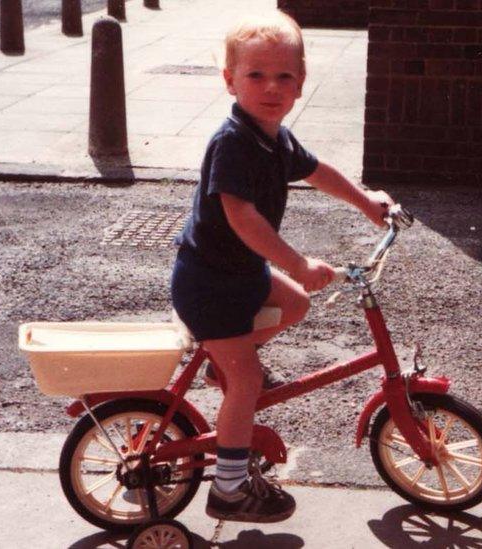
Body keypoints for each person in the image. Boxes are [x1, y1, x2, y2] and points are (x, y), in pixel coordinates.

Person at [170, 9, 393, 523]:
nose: (271, 87)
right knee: (246, 380)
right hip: (209, 283)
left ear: (300, 83)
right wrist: (297, 260)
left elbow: (318, 172)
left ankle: (221, 363)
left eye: (284, 76)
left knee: (295, 301)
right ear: (229, 80)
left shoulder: (273, 136)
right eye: (256, 75)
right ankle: (228, 487)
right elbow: (242, 218)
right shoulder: (232, 143)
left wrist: (366, 202)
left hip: (239, 274)